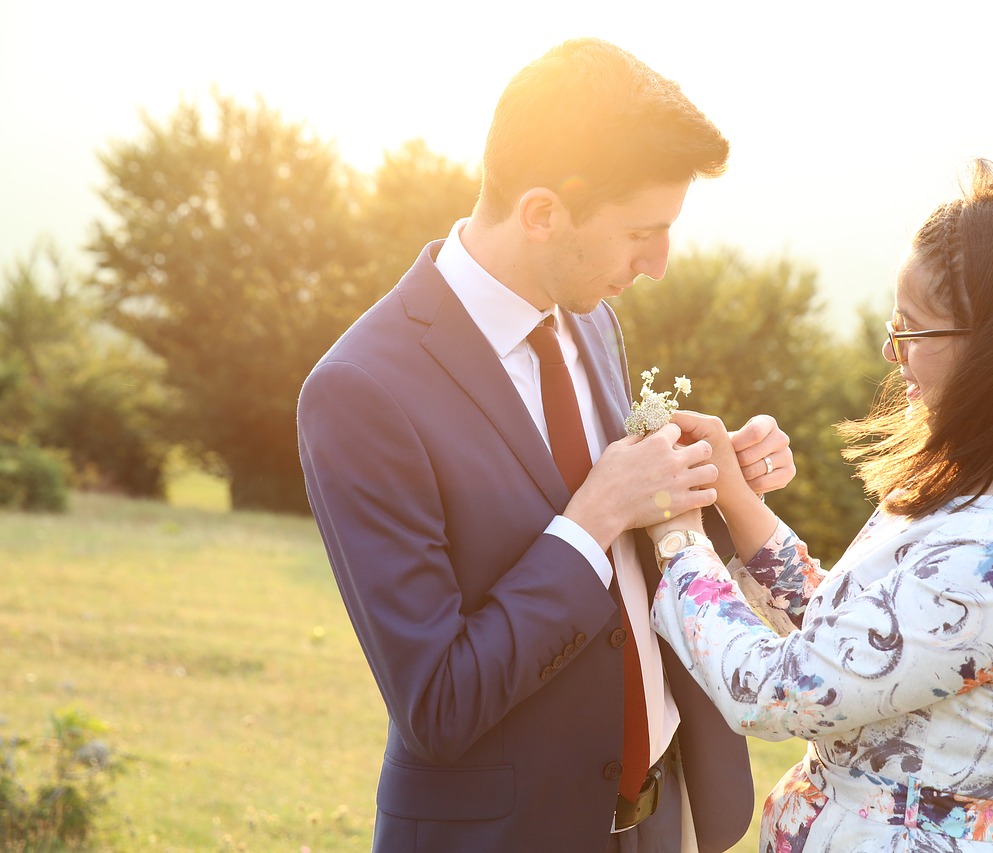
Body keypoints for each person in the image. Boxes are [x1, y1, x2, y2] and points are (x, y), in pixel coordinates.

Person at [297, 37, 794, 852]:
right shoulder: (360, 392)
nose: (660, 263)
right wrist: (589, 519)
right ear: (540, 214)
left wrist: (715, 479)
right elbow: (439, 702)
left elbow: (631, 558)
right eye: (643, 230)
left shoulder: (593, 321)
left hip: (660, 819)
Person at [645, 160, 993, 852]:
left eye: (912, 331)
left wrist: (678, 538)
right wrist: (738, 503)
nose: (894, 354)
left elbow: (780, 690)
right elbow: (869, 639)